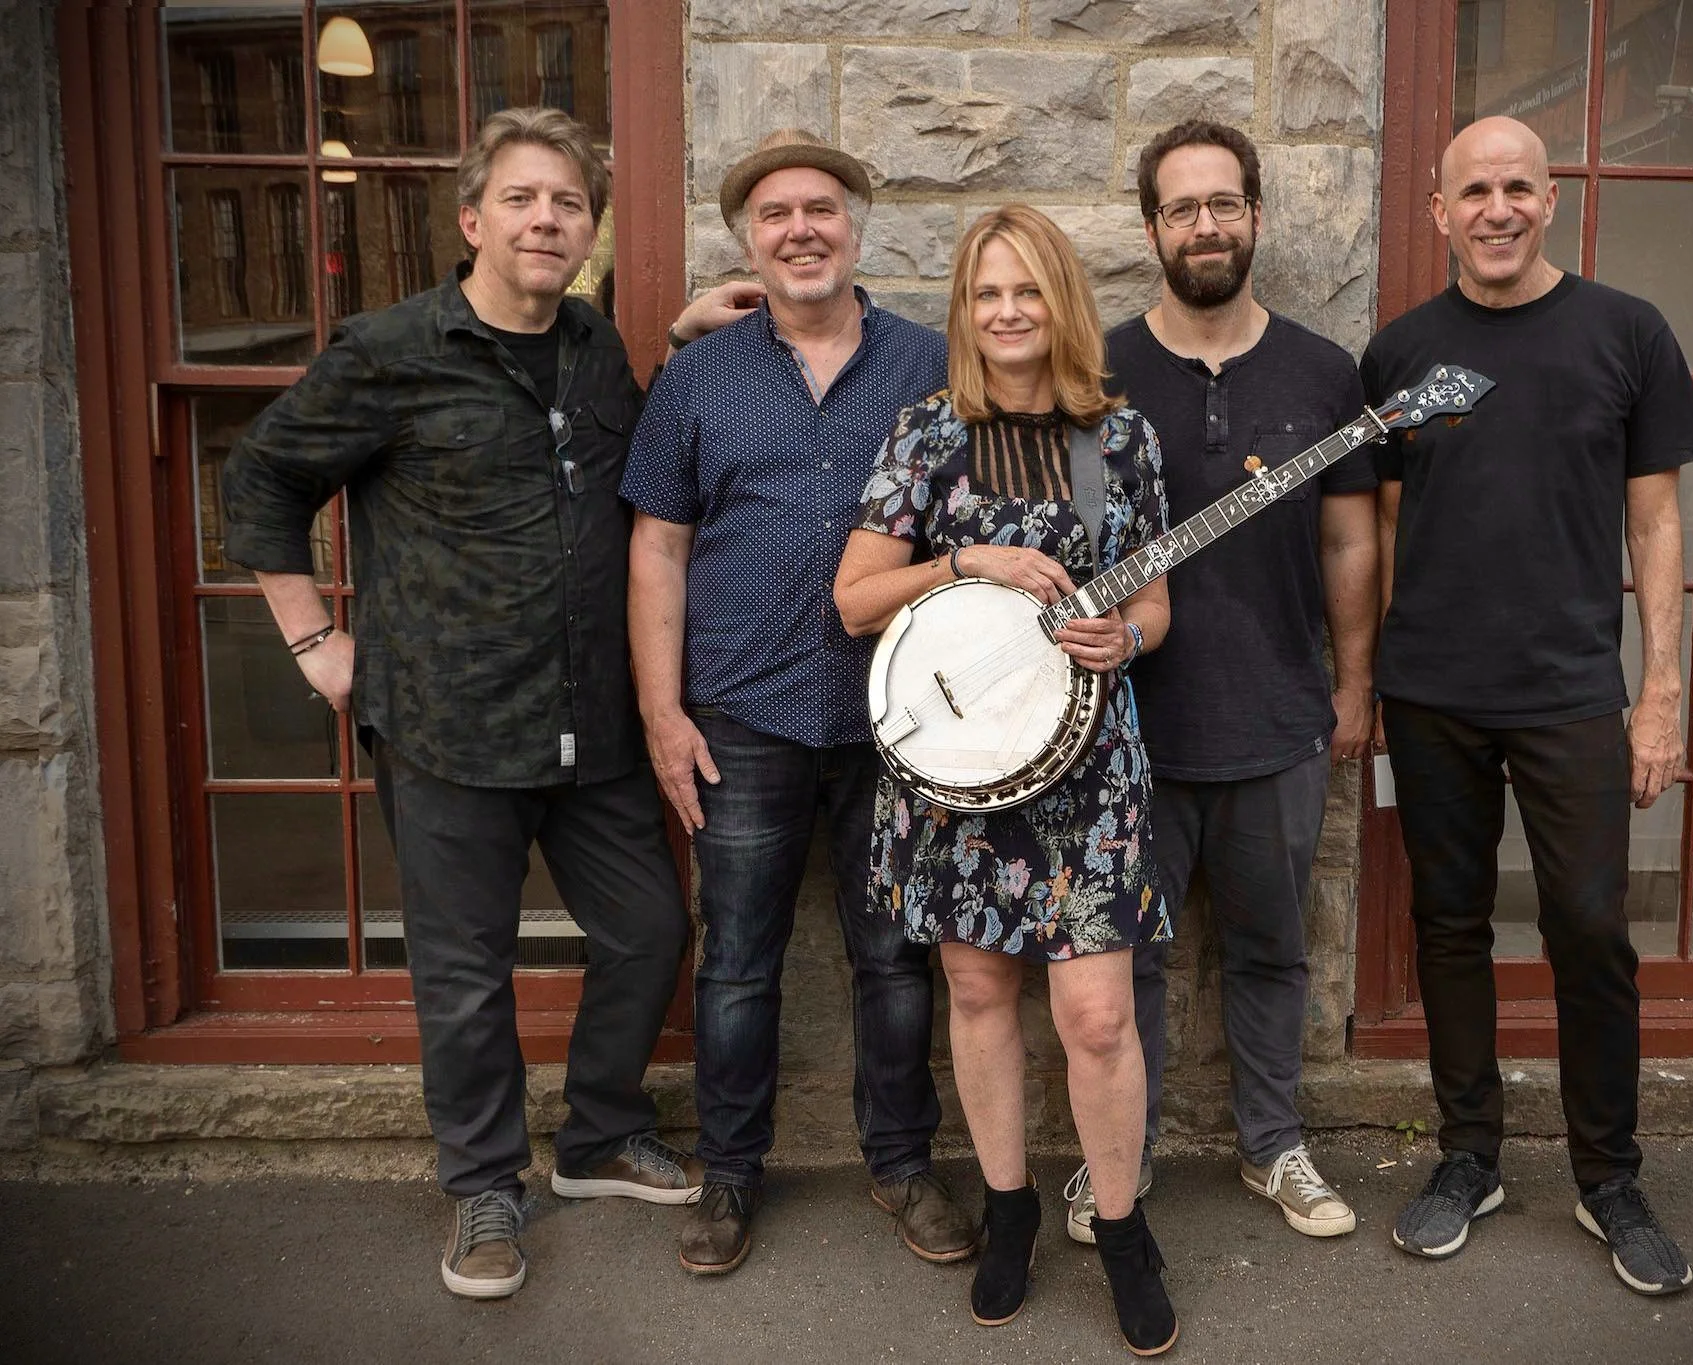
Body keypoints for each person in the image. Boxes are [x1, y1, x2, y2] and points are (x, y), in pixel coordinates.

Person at [223, 108, 693, 1300]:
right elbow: (264, 475)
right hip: (446, 723)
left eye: (570, 204)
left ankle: (595, 1137)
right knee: (466, 974)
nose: (548, 219)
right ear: (474, 219)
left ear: (588, 232)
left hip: (592, 724)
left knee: (647, 933)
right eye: (525, 199)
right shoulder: (391, 351)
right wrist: (313, 636)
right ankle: (484, 1187)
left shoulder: (594, 348)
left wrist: (684, 342)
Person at [1359, 115, 1693, 1296]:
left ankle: (1607, 1175)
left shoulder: (1625, 333)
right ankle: (1469, 1155)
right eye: (1473, 190)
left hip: (1569, 694)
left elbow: (1654, 524)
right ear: (1437, 210)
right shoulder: (1399, 353)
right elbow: (1390, 529)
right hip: (1431, 694)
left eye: (1517, 187)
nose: (1495, 208)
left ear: (1548, 200)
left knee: (1587, 928)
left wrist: (1657, 693)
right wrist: (1364, 677)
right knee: (1448, 927)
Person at [622, 130, 977, 1276]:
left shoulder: (932, 364)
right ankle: (728, 1179)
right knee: (736, 963)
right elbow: (657, 553)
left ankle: (902, 1165)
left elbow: (979, 531)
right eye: (774, 216)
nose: (800, 230)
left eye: (820, 208)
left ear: (857, 226)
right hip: (741, 715)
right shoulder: (696, 380)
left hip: (902, 722)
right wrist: (661, 713)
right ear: (747, 242)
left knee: (893, 957)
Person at [834, 205, 1179, 1356]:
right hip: (957, 773)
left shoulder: (1117, 437)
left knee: (1093, 1014)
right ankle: (1010, 1214)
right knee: (978, 997)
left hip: (1090, 775)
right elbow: (853, 599)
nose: (1006, 311)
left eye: (1025, 290)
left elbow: (1154, 600)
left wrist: (1122, 641)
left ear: (1060, 302)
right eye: (985, 294)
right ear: (964, 312)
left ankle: (1122, 1228)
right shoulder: (929, 433)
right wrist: (965, 559)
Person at [1061, 120, 1379, 1247]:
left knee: (1269, 949)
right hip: (1125, 733)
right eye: (1183, 207)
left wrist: (1351, 687)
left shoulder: (1320, 371)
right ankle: (1120, 1156)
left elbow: (1349, 545)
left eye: (1224, 204)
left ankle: (1271, 1147)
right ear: (1151, 227)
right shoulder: (1094, 373)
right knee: (1124, 958)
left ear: (1253, 217)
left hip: (1279, 719)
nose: (1206, 225)